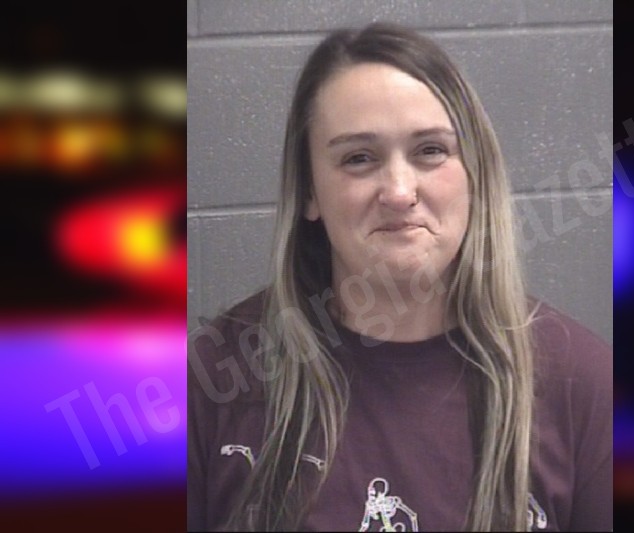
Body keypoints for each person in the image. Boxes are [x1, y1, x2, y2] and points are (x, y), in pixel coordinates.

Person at [188, 22, 612, 532]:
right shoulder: (213, 381)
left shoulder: (584, 384)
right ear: (309, 192)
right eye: (358, 158)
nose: (399, 191)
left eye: (430, 150)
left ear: (475, 173)